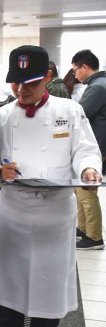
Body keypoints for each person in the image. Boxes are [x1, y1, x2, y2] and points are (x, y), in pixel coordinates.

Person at [0, 45, 102, 327]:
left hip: (54, 212)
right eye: (15, 83)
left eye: (30, 83)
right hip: (14, 210)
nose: (21, 90)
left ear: (48, 77)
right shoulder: (2, 115)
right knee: (11, 276)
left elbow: (85, 150)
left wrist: (89, 168)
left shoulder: (69, 110)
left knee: (49, 281)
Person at [72, 49, 106, 249]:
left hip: (94, 145)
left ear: (85, 67)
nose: (75, 74)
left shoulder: (98, 87)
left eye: (76, 69)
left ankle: (94, 237)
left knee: (86, 191)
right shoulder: (99, 84)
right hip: (98, 143)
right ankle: (83, 228)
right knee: (81, 189)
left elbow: (78, 113)